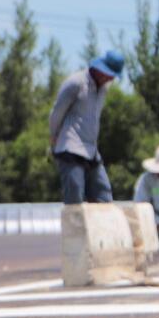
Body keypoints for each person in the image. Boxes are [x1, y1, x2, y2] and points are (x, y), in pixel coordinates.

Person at [48, 51, 123, 204]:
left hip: (91, 150)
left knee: (104, 197)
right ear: (99, 68)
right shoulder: (76, 82)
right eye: (109, 74)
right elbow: (57, 113)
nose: (110, 78)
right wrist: (54, 137)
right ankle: (74, 227)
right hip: (70, 147)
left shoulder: (103, 88)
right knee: (74, 198)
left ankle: (101, 228)